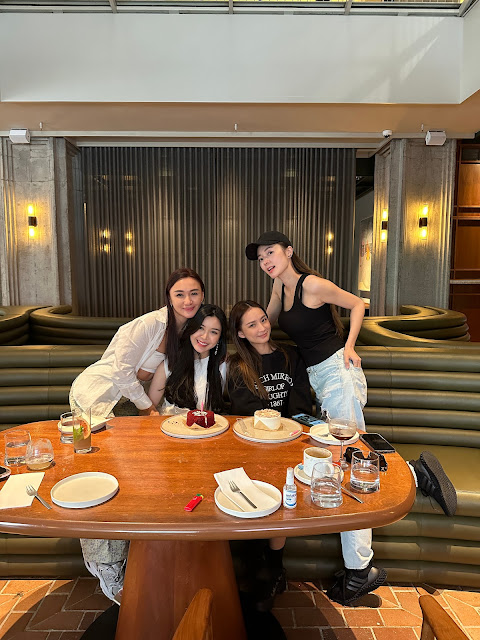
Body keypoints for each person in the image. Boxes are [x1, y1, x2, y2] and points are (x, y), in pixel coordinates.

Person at [245, 231, 457, 606]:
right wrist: (249, 323)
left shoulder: (313, 285)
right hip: (316, 378)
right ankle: (413, 473)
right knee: (343, 460)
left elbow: (357, 304)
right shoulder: (282, 287)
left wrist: (349, 347)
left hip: (337, 373)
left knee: (349, 461)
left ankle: (361, 568)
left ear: (289, 251)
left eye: (271, 253)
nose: (266, 262)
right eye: (261, 258)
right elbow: (268, 320)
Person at [69, 267, 205, 602]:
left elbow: (162, 380)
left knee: (137, 477)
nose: (188, 300)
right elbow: (120, 371)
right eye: (180, 294)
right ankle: (104, 565)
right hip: (96, 399)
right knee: (102, 476)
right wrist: (148, 408)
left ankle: (132, 561)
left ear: (202, 296)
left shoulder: (185, 330)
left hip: (128, 404)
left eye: (194, 293)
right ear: (168, 297)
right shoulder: (150, 324)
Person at [228, 299, 312, 611]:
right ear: (241, 333)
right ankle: (253, 571)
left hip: (288, 443)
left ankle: (276, 569)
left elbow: (301, 404)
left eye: (263, 320)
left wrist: (291, 439)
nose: (262, 328)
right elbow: (245, 413)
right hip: (252, 446)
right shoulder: (237, 366)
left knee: (282, 495)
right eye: (252, 325)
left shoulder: (291, 356)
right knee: (250, 495)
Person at [146, 304, 228, 414]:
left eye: (214, 332)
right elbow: (148, 409)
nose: (204, 337)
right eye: (200, 328)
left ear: (219, 338)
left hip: (207, 424)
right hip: (171, 422)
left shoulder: (223, 365)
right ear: (191, 328)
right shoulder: (171, 362)